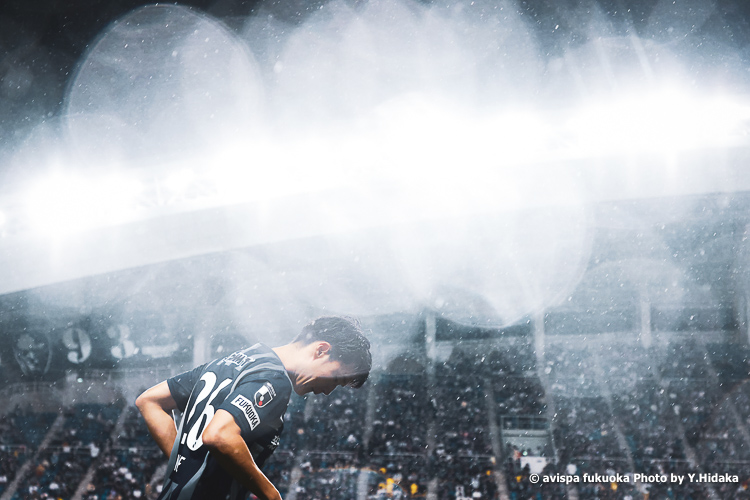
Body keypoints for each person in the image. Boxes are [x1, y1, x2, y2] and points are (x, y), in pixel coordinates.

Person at [135, 316, 372, 500]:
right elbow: (220, 436)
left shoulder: (233, 360)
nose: (328, 391)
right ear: (321, 350)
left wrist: (186, 464)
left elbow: (149, 401)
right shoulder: (275, 379)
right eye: (336, 379)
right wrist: (271, 495)